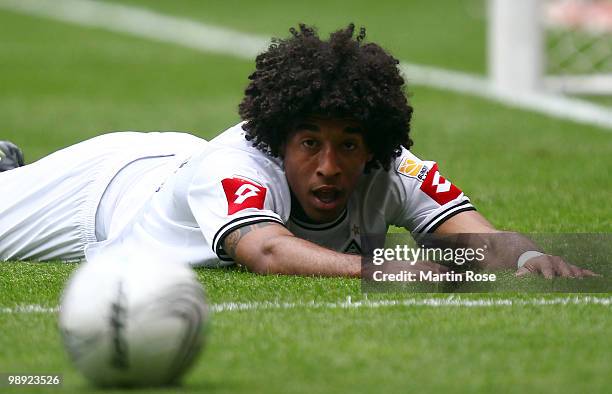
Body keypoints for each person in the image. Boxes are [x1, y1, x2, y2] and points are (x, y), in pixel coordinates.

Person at [0, 24, 596, 279]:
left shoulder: (393, 166)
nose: (331, 167)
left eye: (349, 146)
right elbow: (268, 251)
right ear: (279, 134)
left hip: (175, 173)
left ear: (375, 145)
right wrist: (393, 269)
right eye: (310, 143)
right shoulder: (237, 164)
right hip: (101, 196)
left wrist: (526, 259)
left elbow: (473, 234)